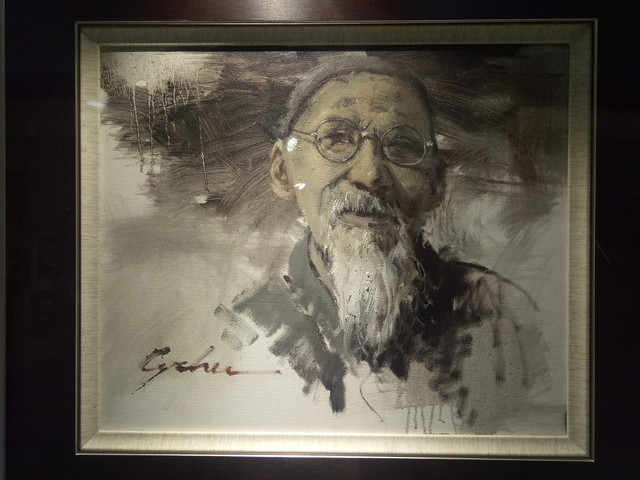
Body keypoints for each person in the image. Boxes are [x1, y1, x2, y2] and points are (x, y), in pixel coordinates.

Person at [223, 55, 549, 434]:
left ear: (436, 183)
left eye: (402, 145)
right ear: (282, 171)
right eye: (336, 138)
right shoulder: (247, 330)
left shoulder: (500, 316)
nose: (370, 174)